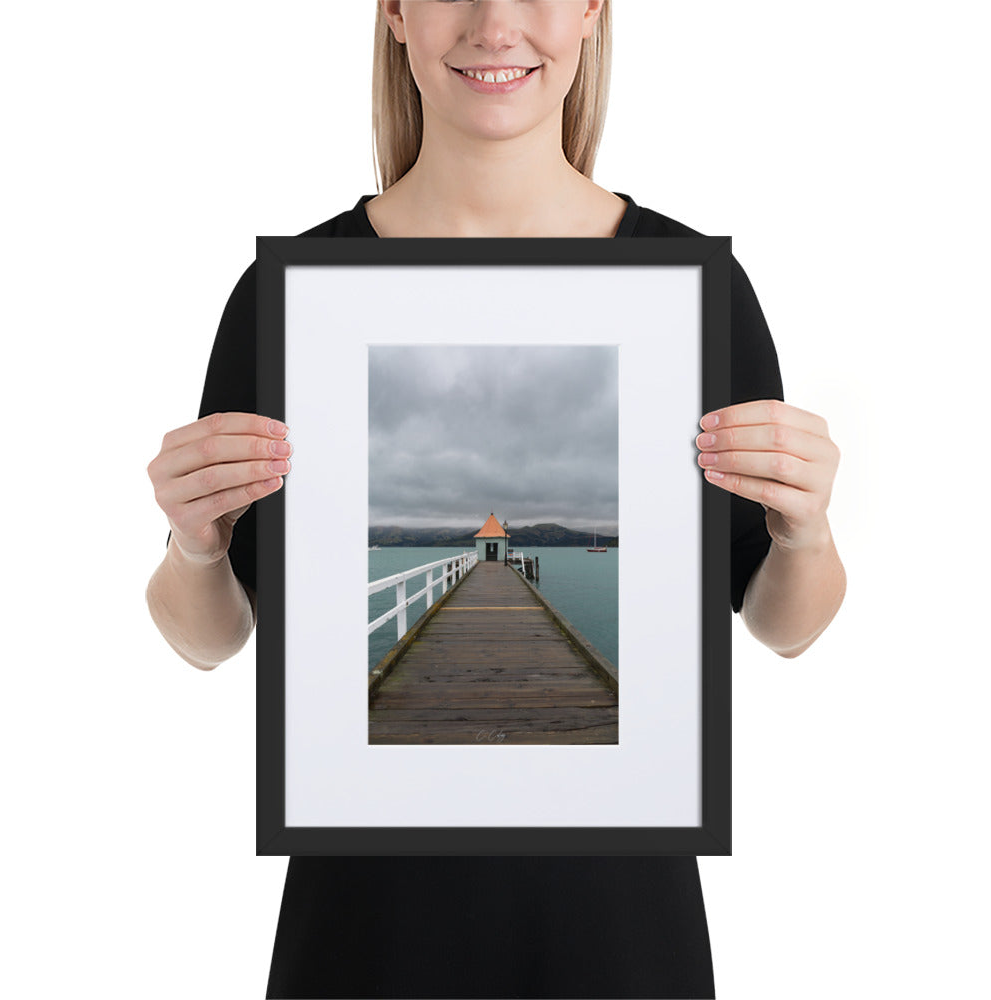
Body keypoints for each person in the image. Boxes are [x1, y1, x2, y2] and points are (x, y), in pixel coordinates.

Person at [146, 2, 846, 996]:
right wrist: (195, 545)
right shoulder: (293, 300)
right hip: (364, 925)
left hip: (619, 924)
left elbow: (784, 624)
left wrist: (804, 529)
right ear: (393, 12)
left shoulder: (693, 291)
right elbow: (209, 637)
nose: (494, 21)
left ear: (595, 11)